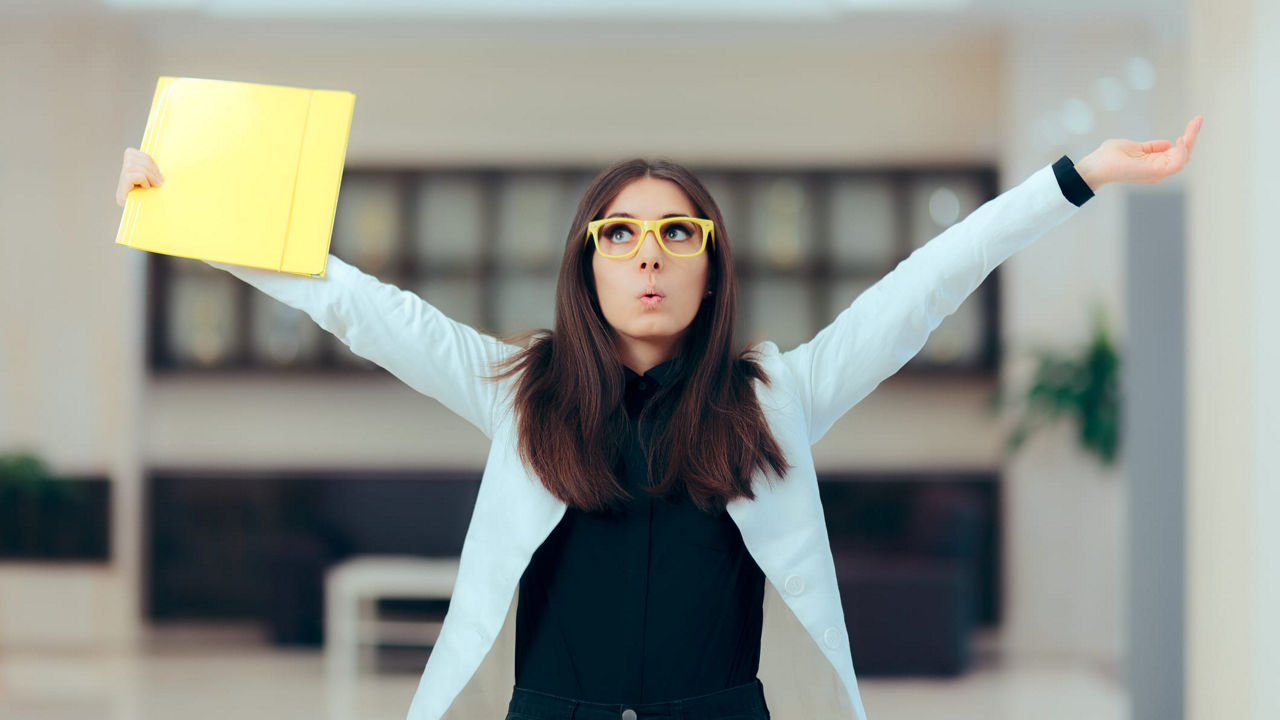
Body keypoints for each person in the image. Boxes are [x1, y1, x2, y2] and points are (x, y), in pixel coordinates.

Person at [115, 115, 1202, 720]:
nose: (647, 255)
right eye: (621, 234)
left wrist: (1079, 176)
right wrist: (188, 213)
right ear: (585, 263)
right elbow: (356, 304)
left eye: (677, 234)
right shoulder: (515, 388)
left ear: (709, 265)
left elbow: (922, 284)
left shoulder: (776, 396)